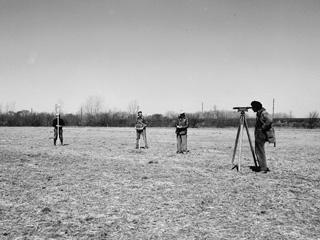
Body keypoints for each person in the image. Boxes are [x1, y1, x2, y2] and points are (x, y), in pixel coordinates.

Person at [251, 101, 275, 173]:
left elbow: (270, 120)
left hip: (261, 134)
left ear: (256, 107)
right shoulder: (260, 113)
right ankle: (263, 166)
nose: (252, 109)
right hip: (259, 133)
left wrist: (263, 127)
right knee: (259, 151)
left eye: (253, 107)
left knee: (259, 151)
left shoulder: (263, 113)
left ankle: (263, 168)